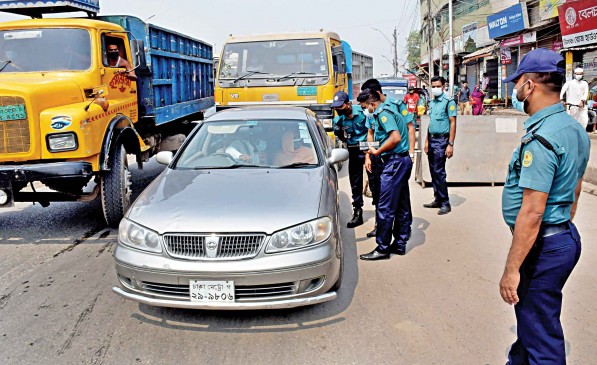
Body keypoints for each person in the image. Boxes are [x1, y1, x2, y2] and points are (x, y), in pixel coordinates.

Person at [499, 48, 590, 365]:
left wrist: (511, 270)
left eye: (517, 83)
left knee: (541, 337)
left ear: (529, 84)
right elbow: (575, 187)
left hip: (544, 244)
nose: (516, 90)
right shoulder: (574, 129)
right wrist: (561, 222)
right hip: (561, 236)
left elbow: (533, 211)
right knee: (533, 322)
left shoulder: (542, 139)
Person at [360, 89, 413, 260]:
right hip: (401, 161)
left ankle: (382, 248)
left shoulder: (383, 114)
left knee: (385, 206)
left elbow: (395, 137)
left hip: (395, 162)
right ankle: (399, 243)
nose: (366, 110)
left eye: (365, 107)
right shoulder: (386, 112)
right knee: (402, 204)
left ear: (372, 104)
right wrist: (370, 151)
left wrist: (377, 152)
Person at [332, 90, 369, 228]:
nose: (337, 110)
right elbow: (339, 133)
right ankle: (358, 212)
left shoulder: (364, 111)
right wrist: (347, 140)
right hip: (353, 149)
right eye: (335, 107)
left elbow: (374, 129)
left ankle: (380, 214)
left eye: (339, 107)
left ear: (348, 104)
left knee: (375, 182)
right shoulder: (339, 120)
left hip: (369, 149)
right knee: (355, 182)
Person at [424, 76, 457, 215]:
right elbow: (431, 123)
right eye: (433, 86)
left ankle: (445, 203)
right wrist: (426, 141)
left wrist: (450, 144)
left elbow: (453, 122)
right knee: (433, 171)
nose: (435, 88)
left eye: (438, 86)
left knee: (439, 172)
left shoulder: (448, 102)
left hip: (442, 141)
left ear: (443, 86)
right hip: (432, 140)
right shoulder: (431, 103)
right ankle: (437, 198)